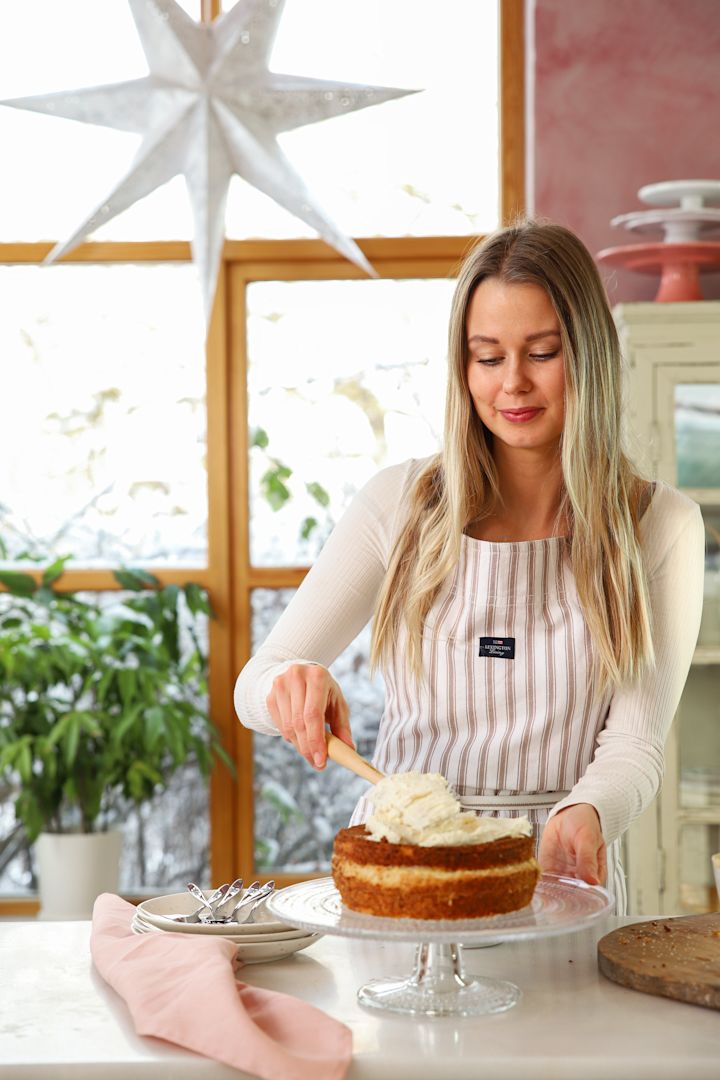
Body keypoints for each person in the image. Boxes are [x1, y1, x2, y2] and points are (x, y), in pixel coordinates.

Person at [234, 219, 705, 913]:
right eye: (487, 358)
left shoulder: (659, 525)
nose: (513, 384)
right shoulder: (399, 503)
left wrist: (591, 813)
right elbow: (252, 691)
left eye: (542, 352)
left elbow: (635, 743)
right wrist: (290, 682)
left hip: (556, 873)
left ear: (591, 356)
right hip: (404, 861)